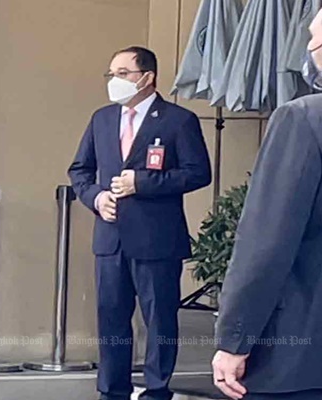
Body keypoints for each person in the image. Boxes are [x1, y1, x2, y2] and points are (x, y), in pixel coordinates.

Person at [68, 46, 212, 400]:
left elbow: (198, 173)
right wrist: (96, 198)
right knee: (112, 320)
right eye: (111, 74)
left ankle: (157, 392)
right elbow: (80, 170)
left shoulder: (178, 120)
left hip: (156, 239)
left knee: (159, 320)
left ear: (147, 77)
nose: (114, 81)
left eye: (123, 73)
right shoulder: (102, 119)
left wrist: (142, 183)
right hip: (110, 238)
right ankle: (112, 391)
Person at [212, 8, 322, 400]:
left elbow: (267, 241)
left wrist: (234, 339)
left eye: (312, 39)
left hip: (298, 355)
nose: (307, 48)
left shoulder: (303, 119)